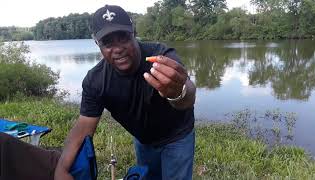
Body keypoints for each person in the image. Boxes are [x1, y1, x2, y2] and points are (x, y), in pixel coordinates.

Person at [0, 4, 196, 180]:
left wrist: (176, 92)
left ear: (134, 33)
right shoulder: (96, 81)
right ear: (97, 44)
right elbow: (83, 127)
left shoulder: (160, 56)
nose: (118, 48)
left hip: (177, 136)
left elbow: (188, 96)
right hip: (144, 140)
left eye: (123, 38)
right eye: (108, 42)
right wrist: (60, 169)